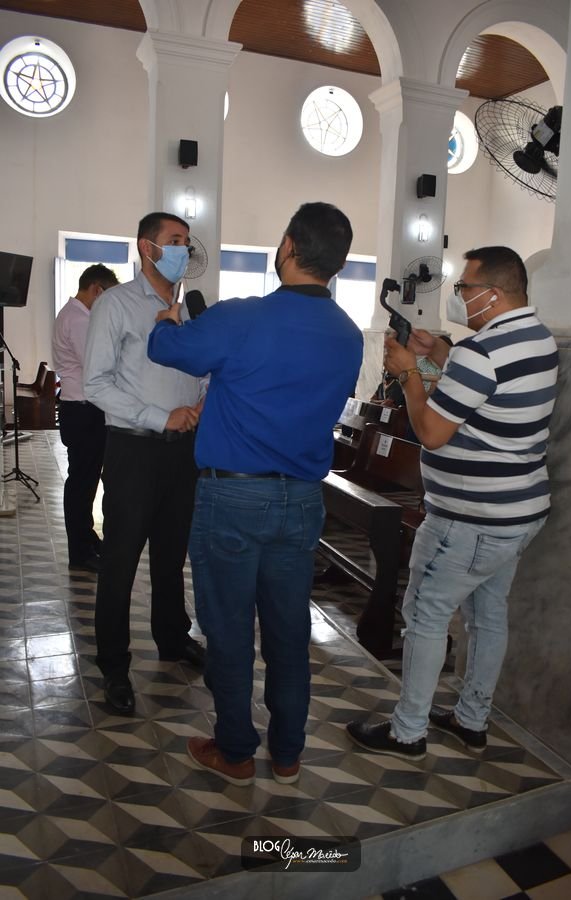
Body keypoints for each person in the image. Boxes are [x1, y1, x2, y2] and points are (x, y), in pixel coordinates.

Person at [148, 202, 364, 786]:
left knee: (229, 629)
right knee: (289, 632)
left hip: (234, 499)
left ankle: (236, 750)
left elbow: (167, 350)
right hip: (303, 501)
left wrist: (167, 321)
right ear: (338, 263)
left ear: (288, 246)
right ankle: (288, 753)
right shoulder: (348, 335)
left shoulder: (243, 317)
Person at [347, 246, 558, 759]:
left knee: (425, 613)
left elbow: (432, 432)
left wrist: (409, 374)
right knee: (487, 614)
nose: (459, 295)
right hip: (517, 512)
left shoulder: (481, 352)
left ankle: (408, 732)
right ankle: (471, 719)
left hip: (470, 517)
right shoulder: (537, 338)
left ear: (494, 294)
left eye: (465, 287)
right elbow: (488, 393)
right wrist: (440, 353)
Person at [83, 212, 207, 716]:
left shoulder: (190, 308)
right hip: (134, 449)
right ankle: (114, 663)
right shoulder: (115, 304)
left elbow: (201, 369)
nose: (183, 250)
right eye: (174, 241)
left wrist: (201, 400)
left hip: (183, 451)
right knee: (120, 559)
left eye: (186, 242)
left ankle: (172, 637)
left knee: (171, 555)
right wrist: (161, 416)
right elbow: (95, 383)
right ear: (146, 247)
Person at [52, 264, 119, 572]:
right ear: (96, 289)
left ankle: (87, 539)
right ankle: (79, 553)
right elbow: (95, 364)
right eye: (107, 297)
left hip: (83, 407)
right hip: (82, 409)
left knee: (87, 480)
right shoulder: (78, 319)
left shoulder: (74, 314)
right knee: (81, 482)